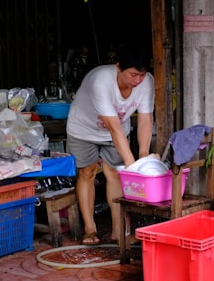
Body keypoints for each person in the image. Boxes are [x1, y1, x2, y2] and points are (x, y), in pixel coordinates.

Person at [66, 46, 155, 245]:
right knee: (87, 173)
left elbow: (145, 119)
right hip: (84, 129)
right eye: (133, 74)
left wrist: (143, 155)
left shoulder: (146, 82)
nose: (138, 80)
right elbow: (114, 128)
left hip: (118, 131)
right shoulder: (101, 81)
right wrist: (133, 165)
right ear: (118, 67)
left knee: (115, 173)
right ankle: (90, 229)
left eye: (142, 75)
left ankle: (118, 231)